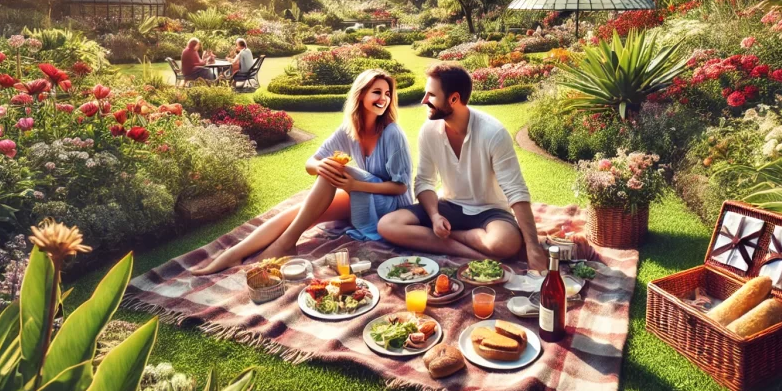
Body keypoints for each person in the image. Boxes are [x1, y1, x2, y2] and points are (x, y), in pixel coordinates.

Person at [192, 69, 412, 274]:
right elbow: (311, 162)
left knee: (331, 170)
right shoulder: (350, 129)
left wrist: (355, 186)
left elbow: (401, 187)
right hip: (365, 197)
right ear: (361, 95)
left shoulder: (392, 133)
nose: (384, 98)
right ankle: (234, 254)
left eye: (387, 93)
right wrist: (319, 166)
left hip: (390, 208)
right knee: (299, 210)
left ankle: (286, 243)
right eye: (377, 92)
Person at [377, 64, 548, 271]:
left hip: (490, 212)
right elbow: (424, 181)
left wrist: (533, 247)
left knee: (505, 243)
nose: (423, 101)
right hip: (448, 206)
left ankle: (447, 241)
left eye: (431, 95)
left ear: (454, 99)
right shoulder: (428, 131)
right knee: (387, 225)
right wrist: (434, 217)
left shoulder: (493, 133)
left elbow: (515, 190)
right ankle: (472, 253)